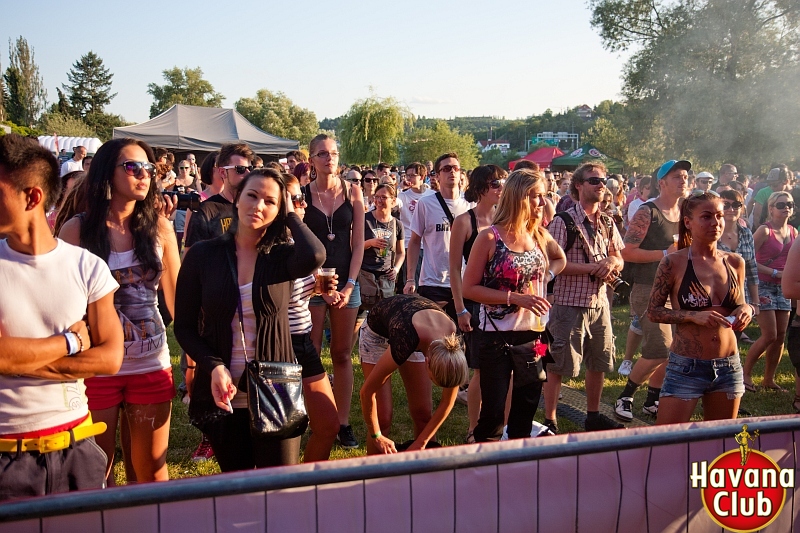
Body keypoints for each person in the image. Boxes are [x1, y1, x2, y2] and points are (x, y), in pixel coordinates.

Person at [174, 168, 326, 471]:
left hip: (275, 387)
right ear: (237, 198)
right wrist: (213, 365)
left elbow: (316, 255)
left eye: (269, 201)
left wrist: (290, 213)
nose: (258, 206)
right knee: (238, 485)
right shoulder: (204, 256)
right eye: (252, 196)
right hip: (223, 392)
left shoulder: (281, 257)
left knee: (279, 486)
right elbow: (184, 327)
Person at [0, 134, 123, 500]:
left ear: (32, 197)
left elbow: (110, 358)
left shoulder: (87, 267)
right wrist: (69, 343)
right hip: (7, 455)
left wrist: (17, 360)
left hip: (76, 448)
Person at [58, 138, 181, 484]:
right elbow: (63, 303)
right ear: (106, 175)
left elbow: (176, 299)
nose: (144, 175)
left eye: (149, 169)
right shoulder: (77, 230)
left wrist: (194, 358)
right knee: (96, 476)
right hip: (96, 367)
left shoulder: (160, 227)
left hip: (150, 363)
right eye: (132, 167)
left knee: (151, 475)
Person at [462, 168, 566, 442]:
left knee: (528, 404)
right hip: (496, 337)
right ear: (518, 197)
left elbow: (560, 258)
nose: (541, 203)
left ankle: (518, 466)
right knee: (493, 414)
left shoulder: (539, 236)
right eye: (535, 196)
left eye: (543, 196)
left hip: (536, 335)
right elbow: (468, 288)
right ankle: (486, 467)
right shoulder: (489, 238)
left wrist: (548, 274)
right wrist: (515, 298)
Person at [647, 191, 752, 424]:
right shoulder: (673, 262)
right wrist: (693, 316)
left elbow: (739, 304)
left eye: (719, 216)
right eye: (706, 216)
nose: (715, 223)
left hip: (728, 366)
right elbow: (653, 311)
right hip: (686, 366)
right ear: (688, 222)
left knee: (720, 444)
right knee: (669, 443)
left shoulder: (735, 262)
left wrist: (747, 310)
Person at [544, 162, 625, 433]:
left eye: (604, 180)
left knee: (599, 362)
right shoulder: (563, 220)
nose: (601, 184)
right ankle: (550, 419)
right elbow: (552, 262)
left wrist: (612, 262)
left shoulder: (607, 221)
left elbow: (620, 257)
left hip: (600, 303)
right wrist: (592, 268)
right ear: (578, 185)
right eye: (594, 180)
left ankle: (592, 415)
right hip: (569, 302)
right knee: (557, 365)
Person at [303, 134, 365, 449]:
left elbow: (357, 245)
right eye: (323, 154)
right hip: (310, 282)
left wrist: (350, 283)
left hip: (347, 283)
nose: (330, 159)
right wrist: (321, 283)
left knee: (341, 353)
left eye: (334, 153)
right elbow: (298, 243)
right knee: (311, 351)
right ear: (312, 159)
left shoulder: (354, 192)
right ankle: (313, 418)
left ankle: (342, 422)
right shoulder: (301, 196)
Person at [614, 160, 688, 422]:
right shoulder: (648, 212)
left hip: (679, 290)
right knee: (659, 347)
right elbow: (626, 252)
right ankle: (625, 396)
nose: (683, 180)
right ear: (662, 182)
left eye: (685, 176)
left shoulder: (685, 213)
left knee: (678, 347)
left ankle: (652, 398)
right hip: (649, 288)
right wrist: (665, 254)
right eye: (677, 176)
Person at [359, 295, 468, 454]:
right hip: (379, 332)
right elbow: (367, 392)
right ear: (427, 361)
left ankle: (425, 474)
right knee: (382, 418)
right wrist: (376, 436)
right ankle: (370, 475)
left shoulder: (453, 347)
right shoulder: (406, 336)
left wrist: (421, 442)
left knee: (423, 413)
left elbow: (447, 401)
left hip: (416, 330)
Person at [283, 174, 339, 461]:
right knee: (284, 433)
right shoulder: (272, 248)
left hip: (303, 341)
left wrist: (320, 290)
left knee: (328, 424)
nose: (302, 203)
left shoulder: (300, 241)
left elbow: (304, 285)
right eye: (295, 199)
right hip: (278, 347)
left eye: (301, 198)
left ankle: (304, 487)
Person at [448, 165, 505, 442]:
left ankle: (501, 427)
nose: (501, 187)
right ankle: (473, 428)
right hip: (475, 304)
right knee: (480, 369)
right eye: (496, 183)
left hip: (503, 305)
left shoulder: (505, 218)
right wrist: (459, 308)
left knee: (505, 367)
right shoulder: (464, 221)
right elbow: (455, 269)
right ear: (481, 187)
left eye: (503, 182)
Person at [404, 153, 471, 320]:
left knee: (463, 335)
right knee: (434, 336)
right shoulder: (425, 204)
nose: (452, 172)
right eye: (447, 168)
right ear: (437, 175)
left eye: (456, 168)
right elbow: (414, 242)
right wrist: (411, 278)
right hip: (433, 281)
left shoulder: (470, 204)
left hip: (464, 280)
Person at [743, 190, 796, 392]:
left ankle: (768, 379)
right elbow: (748, 260)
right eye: (781, 205)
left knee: (781, 335)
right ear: (771, 208)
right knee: (770, 335)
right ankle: (746, 374)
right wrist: (775, 272)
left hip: (782, 287)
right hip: (763, 285)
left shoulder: (793, 231)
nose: (786, 208)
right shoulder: (765, 231)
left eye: (789, 204)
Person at [184, 143, 254, 249]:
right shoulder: (206, 211)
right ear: (223, 172)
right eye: (240, 169)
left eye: (250, 168)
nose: (248, 173)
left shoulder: (256, 208)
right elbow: (190, 259)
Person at [716, 189, 759, 323]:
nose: (731, 209)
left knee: (735, 340)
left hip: (741, 297)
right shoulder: (711, 232)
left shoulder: (746, 233)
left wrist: (755, 303)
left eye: (736, 205)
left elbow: (752, 269)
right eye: (726, 205)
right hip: (716, 298)